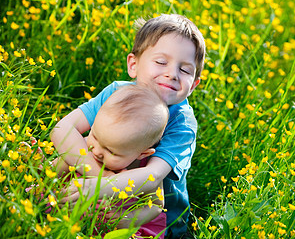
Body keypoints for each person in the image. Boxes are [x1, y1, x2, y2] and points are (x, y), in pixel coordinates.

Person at [51, 14, 206, 238]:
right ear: (133, 65)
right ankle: (40, 184)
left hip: (152, 215)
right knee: (80, 146)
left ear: (193, 85)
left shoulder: (181, 122)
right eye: (161, 62)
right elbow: (62, 129)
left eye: (185, 70)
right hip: (100, 183)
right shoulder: (117, 92)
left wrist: (96, 188)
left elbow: (152, 176)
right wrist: (96, 179)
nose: (172, 73)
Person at [54, 84, 169, 237]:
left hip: (116, 226)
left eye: (111, 151)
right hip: (75, 215)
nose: (97, 151)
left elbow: (156, 205)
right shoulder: (85, 152)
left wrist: (129, 219)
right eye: (94, 136)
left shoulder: (143, 171)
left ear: (142, 153)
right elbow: (54, 169)